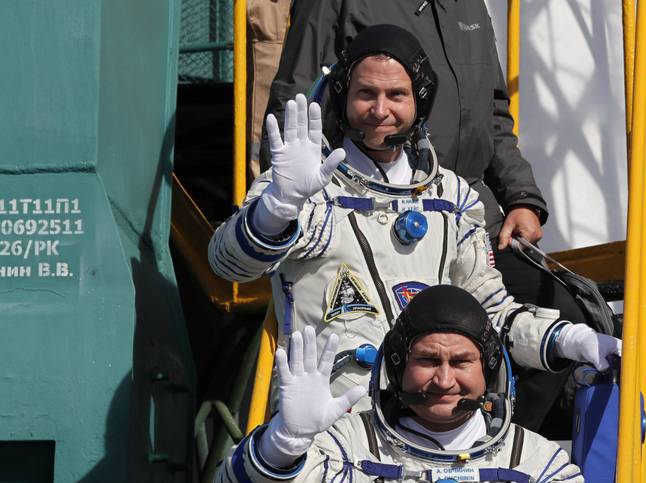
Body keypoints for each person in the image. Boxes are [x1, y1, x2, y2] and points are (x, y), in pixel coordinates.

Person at [208, 25, 619, 411]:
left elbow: (490, 314)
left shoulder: (453, 198)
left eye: (396, 95)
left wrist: (570, 338)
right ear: (342, 98)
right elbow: (230, 265)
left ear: (419, 101)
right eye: (365, 93)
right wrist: (278, 208)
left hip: (427, 435)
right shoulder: (303, 185)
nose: (379, 110)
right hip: (329, 430)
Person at [213, 284, 605, 483]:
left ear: (489, 370)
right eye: (429, 359)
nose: (445, 379)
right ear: (398, 367)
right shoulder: (351, 451)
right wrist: (285, 442)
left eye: (462, 362)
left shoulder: (536, 466)